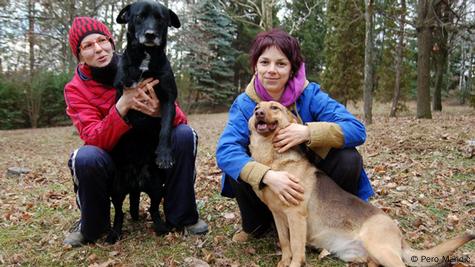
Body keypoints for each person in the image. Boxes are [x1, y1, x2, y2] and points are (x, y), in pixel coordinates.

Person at [216, 28, 374, 242]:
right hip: (266, 186)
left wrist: (308, 132)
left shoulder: (310, 95)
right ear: (255, 66)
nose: (272, 70)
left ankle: (332, 221)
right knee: (238, 164)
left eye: (281, 63)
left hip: (309, 180)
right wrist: (266, 175)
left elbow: (356, 129)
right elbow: (226, 151)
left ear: (292, 69)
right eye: (264, 62)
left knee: (348, 158)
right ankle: (259, 224)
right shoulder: (245, 103)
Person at [63, 17, 207, 247]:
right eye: (88, 46)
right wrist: (122, 106)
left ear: (111, 42)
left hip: (150, 151)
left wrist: (159, 112)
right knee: (85, 157)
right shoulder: (76, 89)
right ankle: (93, 226)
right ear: (79, 55)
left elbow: (179, 117)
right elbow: (93, 137)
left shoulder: (141, 65)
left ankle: (183, 217)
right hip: (113, 158)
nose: (98, 48)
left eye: (102, 40)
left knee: (184, 134)